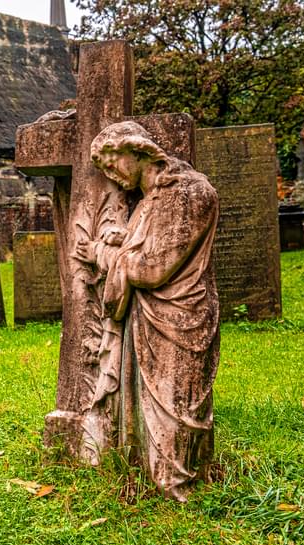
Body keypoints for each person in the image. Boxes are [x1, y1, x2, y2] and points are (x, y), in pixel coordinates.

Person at [73, 121, 220, 502]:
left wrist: (101, 254)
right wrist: (123, 238)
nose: (110, 174)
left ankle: (179, 492)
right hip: (147, 319)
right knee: (152, 410)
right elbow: (144, 245)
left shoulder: (189, 192)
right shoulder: (150, 200)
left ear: (138, 151)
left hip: (179, 319)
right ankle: (154, 483)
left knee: (177, 408)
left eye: (112, 162)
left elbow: (150, 268)